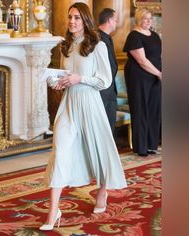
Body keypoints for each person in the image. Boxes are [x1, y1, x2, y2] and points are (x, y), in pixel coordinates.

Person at [39, 2, 127, 231]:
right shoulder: (65, 46)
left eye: (77, 17)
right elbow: (65, 75)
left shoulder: (97, 45)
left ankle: (102, 190)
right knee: (60, 152)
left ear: (85, 19)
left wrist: (81, 79)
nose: (72, 21)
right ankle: (52, 213)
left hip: (90, 103)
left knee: (98, 151)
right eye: (70, 17)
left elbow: (104, 80)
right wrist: (59, 82)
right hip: (69, 104)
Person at [123, 8, 162, 157]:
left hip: (155, 77)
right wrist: (159, 73)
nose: (148, 21)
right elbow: (142, 60)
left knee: (154, 109)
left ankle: (152, 144)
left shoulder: (155, 36)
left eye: (150, 18)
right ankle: (141, 147)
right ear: (139, 19)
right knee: (141, 110)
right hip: (138, 77)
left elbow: (160, 55)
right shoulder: (134, 36)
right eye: (145, 18)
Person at [98, 8, 119, 136]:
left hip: (110, 89)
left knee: (109, 128)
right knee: (102, 130)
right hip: (101, 91)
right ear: (110, 21)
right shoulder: (97, 38)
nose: (117, 23)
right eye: (116, 20)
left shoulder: (108, 38)